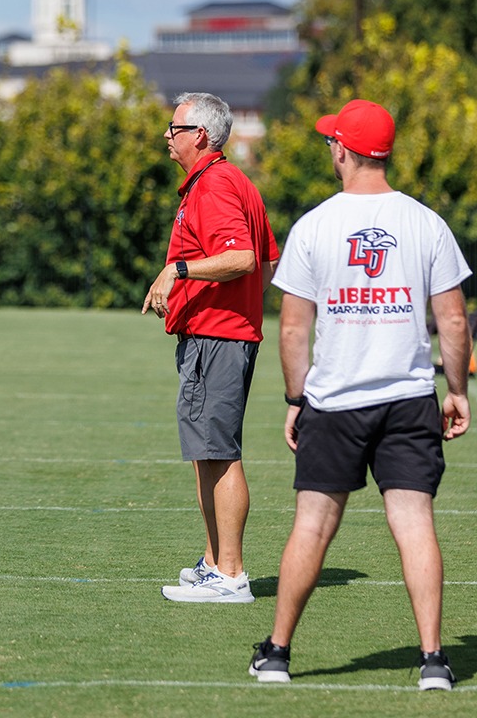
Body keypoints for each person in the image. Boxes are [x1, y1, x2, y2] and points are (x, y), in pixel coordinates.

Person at [248, 100, 470, 690]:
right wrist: (457, 390)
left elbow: (293, 329)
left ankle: (276, 653)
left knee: (313, 526)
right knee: (415, 522)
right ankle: (433, 661)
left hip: (336, 401)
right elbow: (452, 322)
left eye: (331, 142)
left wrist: (295, 400)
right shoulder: (427, 223)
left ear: (343, 150)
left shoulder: (315, 225)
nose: (330, 150)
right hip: (408, 399)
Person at [141, 92, 279, 604]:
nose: (166, 136)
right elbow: (265, 265)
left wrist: (178, 272)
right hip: (221, 333)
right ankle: (215, 561)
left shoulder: (217, 184)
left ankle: (231, 574)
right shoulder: (230, 181)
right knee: (207, 453)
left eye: (173, 128)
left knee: (219, 453)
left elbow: (243, 257)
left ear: (199, 135)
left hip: (219, 338)